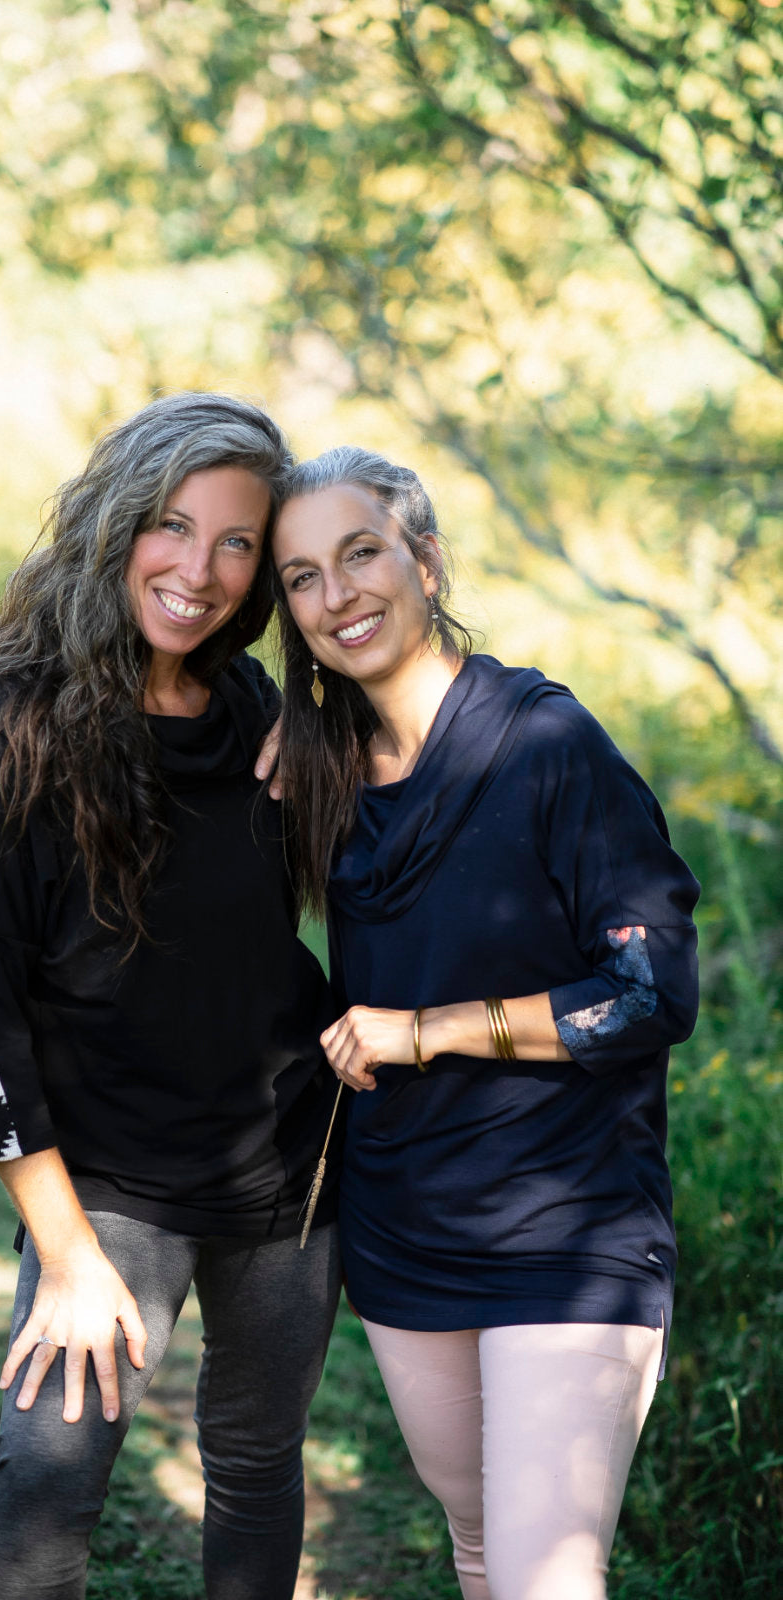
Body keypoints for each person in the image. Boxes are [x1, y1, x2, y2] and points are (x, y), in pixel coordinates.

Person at [0, 393, 342, 1600]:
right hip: (104, 1188)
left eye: (235, 542)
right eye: (172, 525)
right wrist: (64, 1251)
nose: (197, 571)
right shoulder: (20, 724)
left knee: (256, 1464)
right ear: (116, 522)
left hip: (286, 1172)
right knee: (48, 1481)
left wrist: (317, 728)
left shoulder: (256, 711)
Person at [267, 445, 700, 1600]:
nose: (335, 594)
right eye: (301, 577)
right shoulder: (320, 765)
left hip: (568, 1227)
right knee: (475, 1547)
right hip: (404, 1222)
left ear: (425, 558)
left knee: (541, 1574)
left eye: (360, 553)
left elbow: (651, 991)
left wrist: (429, 1029)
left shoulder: (546, 746)